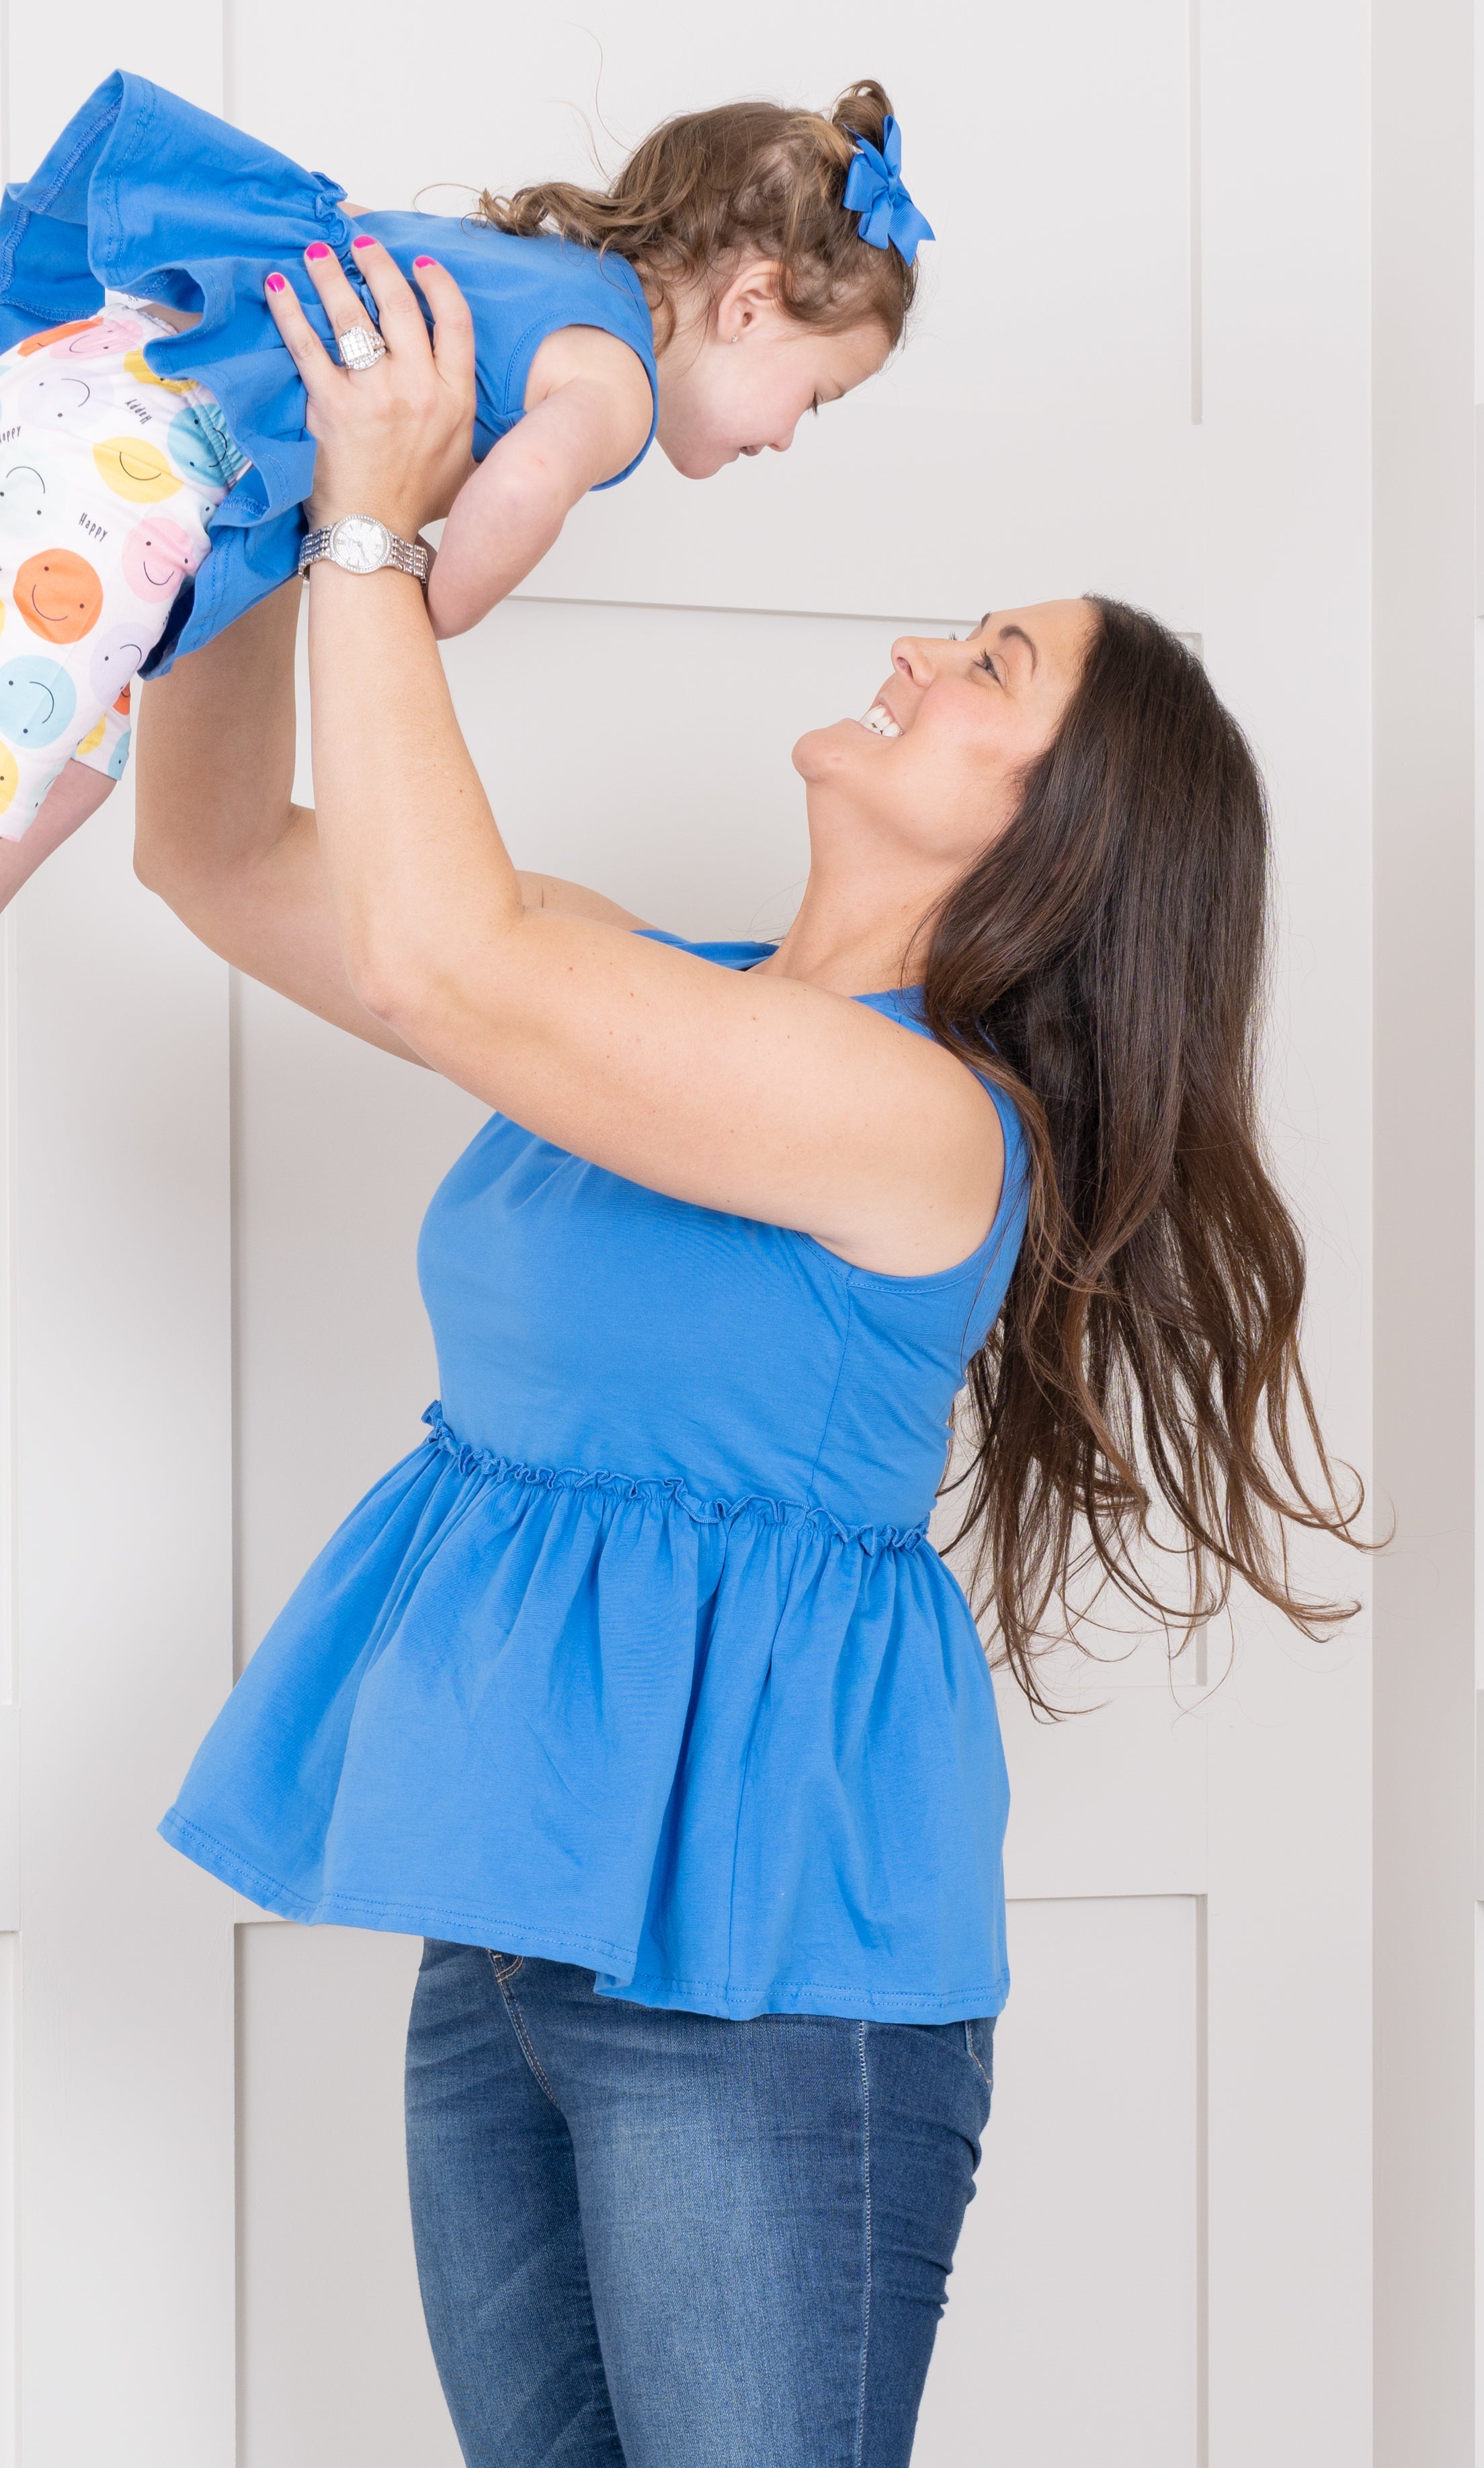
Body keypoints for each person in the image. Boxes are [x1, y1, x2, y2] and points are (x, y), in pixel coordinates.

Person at [137, 239, 1362, 2465]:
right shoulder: (631, 987)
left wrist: (380, 529)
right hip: (517, 1913)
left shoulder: (923, 1125)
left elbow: (435, 961)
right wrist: (231, 490)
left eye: (988, 668)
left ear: (1063, 833)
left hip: (769, 1969)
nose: (915, 653)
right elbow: (214, 857)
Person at [0, 71, 925, 1278]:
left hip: (78, 404)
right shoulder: (615, 379)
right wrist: (426, 590)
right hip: (138, 473)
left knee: (65, 768)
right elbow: (523, 488)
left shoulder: (535, 273)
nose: (788, 438)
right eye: (814, 398)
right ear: (749, 304)